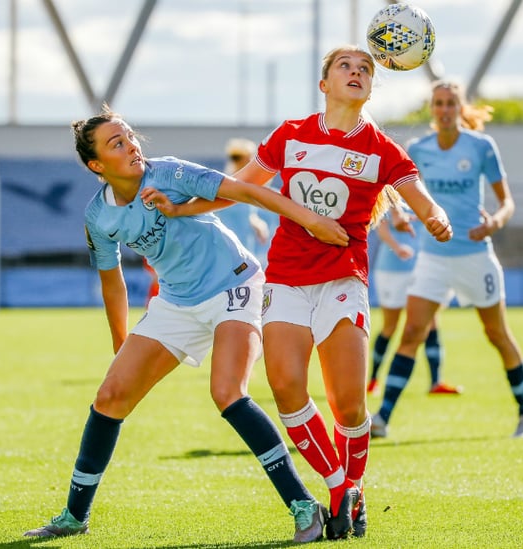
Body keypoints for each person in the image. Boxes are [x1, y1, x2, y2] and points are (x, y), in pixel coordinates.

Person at [149, 45, 453, 540]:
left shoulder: (382, 149)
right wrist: (183, 209)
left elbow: (421, 199)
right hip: (286, 278)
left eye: (364, 70)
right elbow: (240, 187)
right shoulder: (290, 135)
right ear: (324, 84)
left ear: (371, 89)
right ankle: (342, 491)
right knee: (287, 387)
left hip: (342, 280)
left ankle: (349, 489)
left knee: (349, 404)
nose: (355, 74)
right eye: (344, 68)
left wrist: (436, 219)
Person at [24, 107, 350, 543]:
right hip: (175, 302)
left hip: (234, 285)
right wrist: (123, 344)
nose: (131, 146)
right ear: (96, 166)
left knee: (227, 392)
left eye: (130, 136)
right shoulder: (98, 217)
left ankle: (301, 503)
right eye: (116, 143)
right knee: (110, 396)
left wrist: (310, 219)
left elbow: (246, 192)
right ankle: (73, 516)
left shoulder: (171, 173)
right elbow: (112, 282)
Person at [370, 80, 523, 440]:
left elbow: (507, 202)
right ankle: (382, 419)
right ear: (431, 109)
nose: (444, 110)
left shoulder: (481, 146)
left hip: (475, 256)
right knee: (412, 332)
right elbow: (397, 187)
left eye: (450, 103)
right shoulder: (420, 148)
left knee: (496, 334)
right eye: (438, 103)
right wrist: (399, 214)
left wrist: (494, 221)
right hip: (433, 258)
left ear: (460, 108)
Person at [368, 212, 460, 395]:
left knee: (431, 321)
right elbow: (382, 230)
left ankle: (436, 382)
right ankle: (372, 380)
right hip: (391, 271)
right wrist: (397, 247)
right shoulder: (390, 193)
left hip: (420, 269)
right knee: (390, 326)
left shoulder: (425, 195)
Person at [215, 138, 272, 264]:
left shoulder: (251, 185)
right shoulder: (223, 184)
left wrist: (257, 223)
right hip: (225, 244)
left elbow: (248, 212)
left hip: (245, 243)